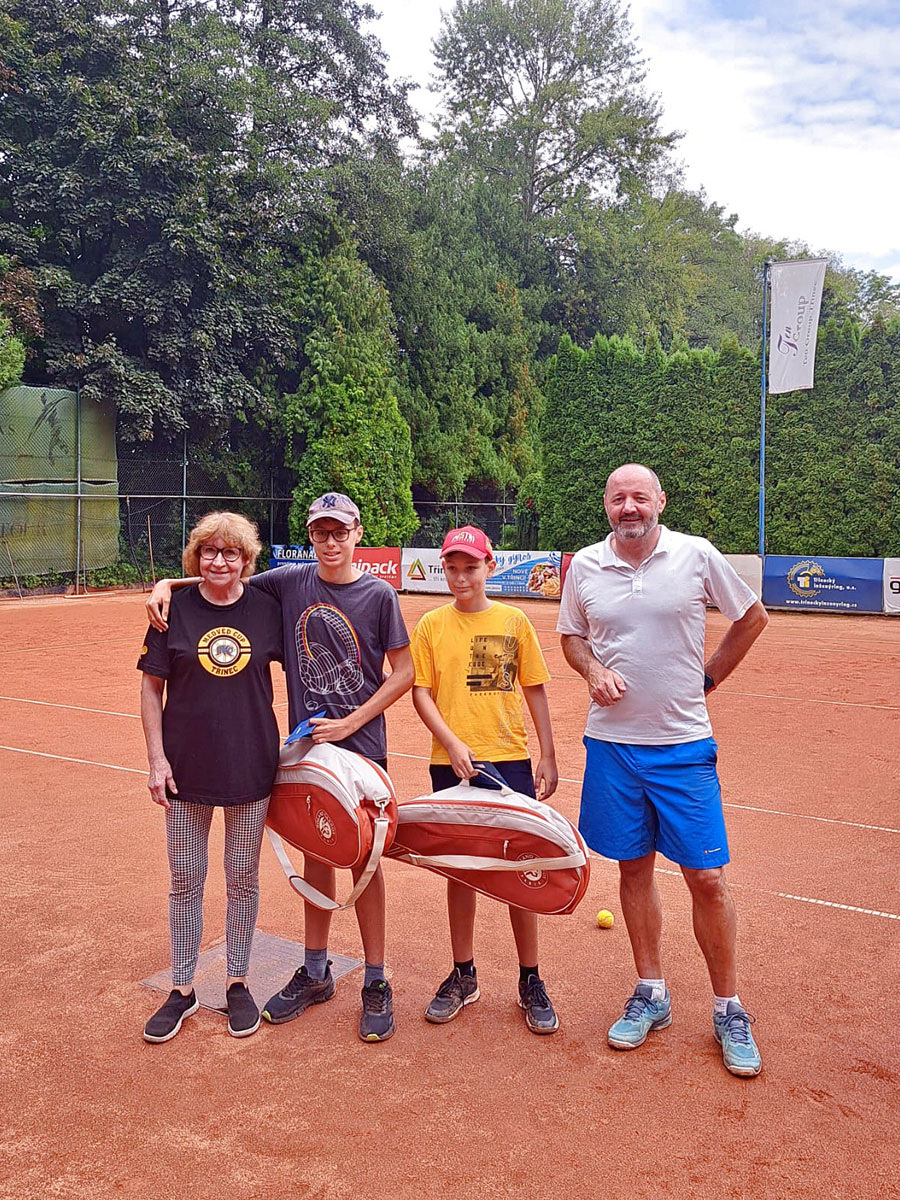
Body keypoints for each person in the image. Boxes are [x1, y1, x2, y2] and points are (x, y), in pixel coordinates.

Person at [145, 493, 413, 1042]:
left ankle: (376, 979)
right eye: (321, 532)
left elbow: (405, 672)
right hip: (307, 749)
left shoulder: (379, 594)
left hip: (360, 747)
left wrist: (350, 721)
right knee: (318, 853)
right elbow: (223, 575)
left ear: (357, 533)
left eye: (340, 531)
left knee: (364, 861)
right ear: (310, 535)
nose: (331, 541)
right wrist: (167, 583)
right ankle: (315, 971)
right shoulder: (289, 583)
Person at [557, 464, 769, 1077]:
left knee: (707, 877)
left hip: (682, 746)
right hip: (613, 747)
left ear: (660, 502)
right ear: (606, 505)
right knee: (633, 868)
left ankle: (728, 1007)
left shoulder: (695, 555)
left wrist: (710, 678)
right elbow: (571, 637)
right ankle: (651, 991)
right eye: (617, 498)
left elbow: (752, 617)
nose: (629, 507)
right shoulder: (586, 565)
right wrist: (593, 671)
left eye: (639, 497)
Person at [409, 525, 561, 1034]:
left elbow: (534, 688)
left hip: (509, 760)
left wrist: (548, 753)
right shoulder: (431, 624)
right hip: (450, 763)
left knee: (520, 868)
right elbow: (421, 693)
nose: (461, 577)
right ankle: (463, 973)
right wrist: (451, 743)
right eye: (452, 568)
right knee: (460, 870)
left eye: (470, 567)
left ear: (490, 567)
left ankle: (530, 978)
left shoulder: (514, 620)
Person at [140, 512, 283, 1043]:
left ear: (246, 559)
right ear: (195, 557)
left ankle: (237, 981)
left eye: (230, 552)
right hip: (185, 772)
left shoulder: (266, 608)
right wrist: (157, 760)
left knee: (242, 879)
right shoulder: (171, 611)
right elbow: (150, 689)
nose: (219, 561)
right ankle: (182, 989)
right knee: (185, 880)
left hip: (250, 765)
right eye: (208, 552)